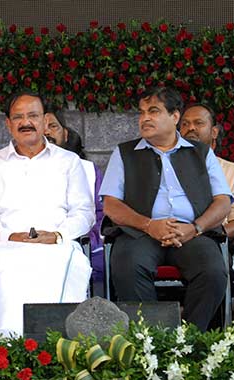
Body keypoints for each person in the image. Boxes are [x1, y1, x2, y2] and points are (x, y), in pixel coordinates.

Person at [100, 87, 231, 331]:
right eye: (141, 113)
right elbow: (111, 205)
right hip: (140, 233)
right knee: (128, 267)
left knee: (213, 271)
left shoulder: (201, 153)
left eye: (153, 111)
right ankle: (152, 342)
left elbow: (223, 200)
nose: (145, 118)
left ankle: (189, 339)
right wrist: (150, 225)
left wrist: (195, 227)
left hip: (192, 233)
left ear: (174, 117)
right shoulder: (125, 153)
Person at [0, 91, 94, 337]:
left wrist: (58, 235)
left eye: (33, 116)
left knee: (71, 262)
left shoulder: (69, 161)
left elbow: (84, 212)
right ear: (8, 124)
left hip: (58, 245)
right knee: (1, 264)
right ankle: (9, 350)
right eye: (18, 117)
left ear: (45, 120)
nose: (26, 122)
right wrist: (8, 235)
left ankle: (59, 349)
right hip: (8, 246)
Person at [44, 108, 105, 283]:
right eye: (43, 127)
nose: (47, 132)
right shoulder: (17, 168)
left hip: (82, 242)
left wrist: (87, 240)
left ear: (66, 134)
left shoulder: (88, 169)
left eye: (53, 126)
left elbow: (101, 215)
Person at [179, 103, 234, 238]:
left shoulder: (231, 171)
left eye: (198, 123)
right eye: (185, 124)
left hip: (211, 241)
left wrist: (205, 236)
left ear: (214, 132)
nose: (190, 128)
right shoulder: (167, 166)